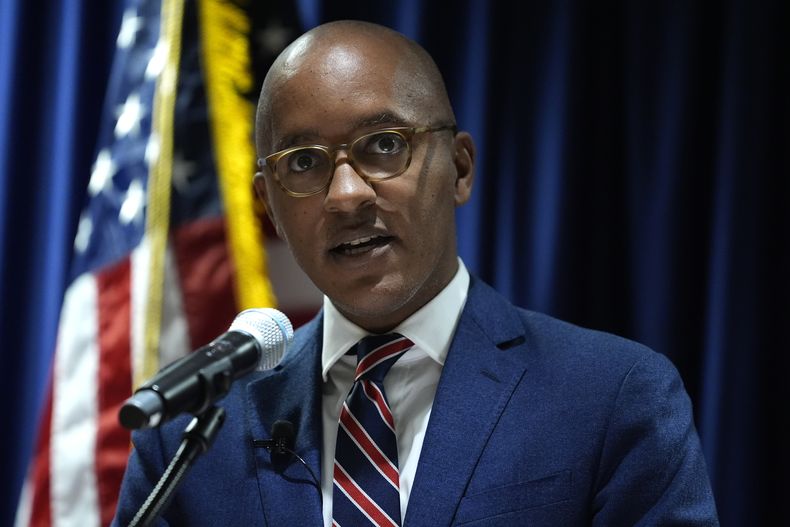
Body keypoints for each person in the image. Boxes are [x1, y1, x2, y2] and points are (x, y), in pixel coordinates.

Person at [114, 20, 718, 526]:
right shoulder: (186, 438)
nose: (346, 195)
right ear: (268, 204)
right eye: (303, 163)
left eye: (383, 145)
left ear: (458, 168)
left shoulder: (612, 396)